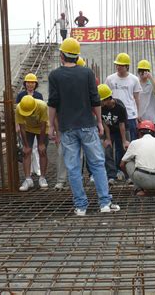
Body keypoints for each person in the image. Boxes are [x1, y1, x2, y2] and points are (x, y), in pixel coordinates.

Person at [48, 38, 119, 216]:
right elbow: (95, 100)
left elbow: (53, 103)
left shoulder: (54, 76)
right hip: (88, 125)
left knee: (73, 167)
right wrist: (100, 123)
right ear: (77, 55)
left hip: (67, 128)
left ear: (62, 55)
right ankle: (104, 203)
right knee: (97, 164)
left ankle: (80, 206)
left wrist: (51, 126)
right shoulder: (87, 73)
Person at [120, 120, 155, 196]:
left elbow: (122, 165)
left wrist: (132, 178)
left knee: (128, 163)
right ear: (153, 133)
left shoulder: (134, 143)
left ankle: (139, 189)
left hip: (142, 180)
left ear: (139, 132)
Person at [105, 53, 142, 142]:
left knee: (132, 140)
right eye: (117, 65)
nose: (118, 67)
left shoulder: (134, 79)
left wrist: (138, 114)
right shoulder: (110, 79)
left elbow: (136, 98)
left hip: (130, 114)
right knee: (118, 141)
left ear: (127, 66)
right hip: (115, 114)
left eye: (121, 65)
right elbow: (106, 97)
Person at [15, 95, 49, 192]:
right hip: (28, 128)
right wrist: (25, 145)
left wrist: (41, 143)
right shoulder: (19, 108)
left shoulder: (42, 106)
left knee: (42, 151)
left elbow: (43, 125)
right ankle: (28, 179)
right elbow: (21, 127)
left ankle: (42, 177)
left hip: (42, 129)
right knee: (26, 152)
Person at [97, 83, 129, 185]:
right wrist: (108, 138)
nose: (99, 102)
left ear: (107, 99)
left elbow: (122, 125)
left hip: (121, 130)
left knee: (122, 150)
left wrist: (124, 141)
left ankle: (123, 172)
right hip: (109, 131)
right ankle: (111, 175)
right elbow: (104, 123)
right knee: (108, 150)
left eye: (101, 100)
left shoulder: (120, 107)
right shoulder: (101, 108)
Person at [16, 73, 43, 179]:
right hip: (25, 125)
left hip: (36, 125)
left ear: (35, 84)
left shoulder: (38, 96)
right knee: (27, 148)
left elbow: (42, 111)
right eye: (28, 82)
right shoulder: (21, 96)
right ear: (25, 83)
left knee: (36, 147)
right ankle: (30, 170)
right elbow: (17, 111)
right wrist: (17, 125)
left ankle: (38, 169)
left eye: (32, 83)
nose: (30, 85)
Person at [137, 59, 155, 139]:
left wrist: (151, 78)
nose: (142, 73)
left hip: (153, 118)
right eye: (140, 71)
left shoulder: (152, 83)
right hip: (141, 118)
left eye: (145, 71)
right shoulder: (136, 83)